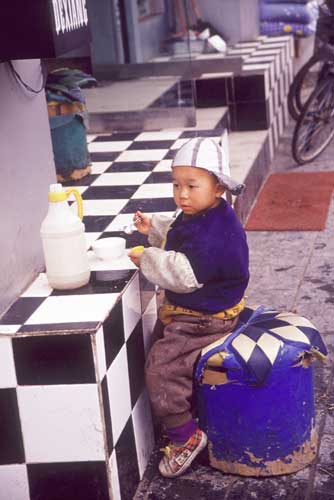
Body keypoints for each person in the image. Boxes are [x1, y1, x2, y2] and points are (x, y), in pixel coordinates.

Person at [128, 137, 249, 478]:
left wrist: (146, 257)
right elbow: (182, 236)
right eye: (177, 184)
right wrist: (154, 228)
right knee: (165, 348)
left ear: (218, 188)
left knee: (161, 369)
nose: (182, 194)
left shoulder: (215, 230)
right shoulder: (203, 214)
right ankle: (189, 404)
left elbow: (184, 273)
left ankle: (185, 436)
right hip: (203, 309)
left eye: (192, 186)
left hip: (204, 319)